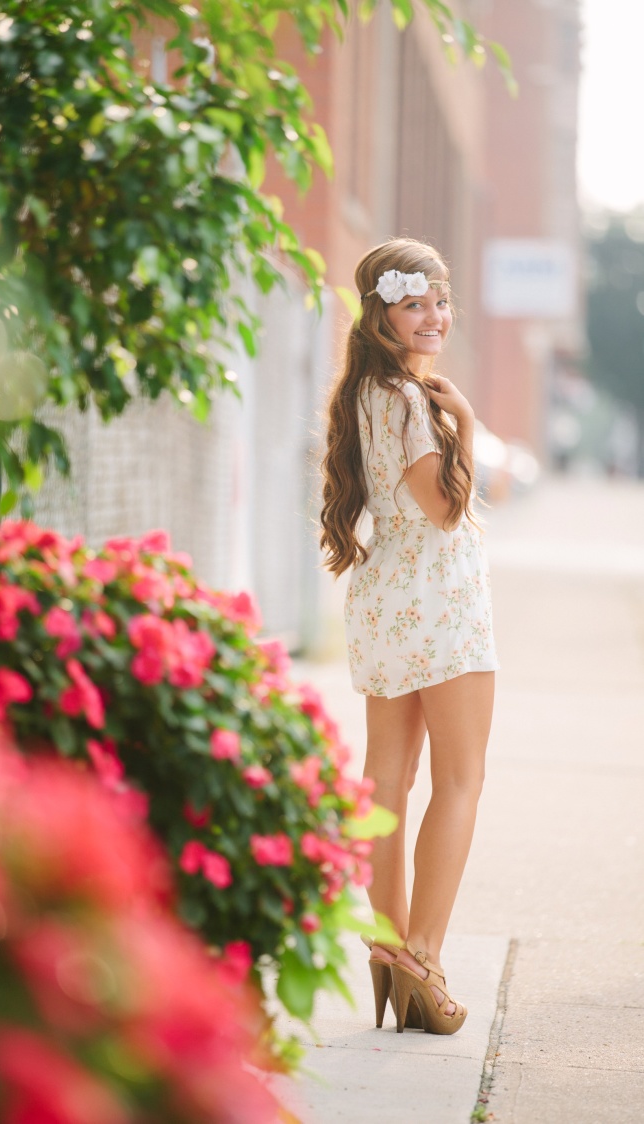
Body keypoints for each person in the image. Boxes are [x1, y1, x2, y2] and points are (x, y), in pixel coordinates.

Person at [320, 236, 499, 1035]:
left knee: (384, 784)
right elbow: (443, 506)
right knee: (459, 781)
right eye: (414, 303)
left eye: (439, 301)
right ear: (381, 312)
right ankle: (423, 958)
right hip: (440, 601)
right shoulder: (413, 400)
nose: (433, 317)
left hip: (386, 597)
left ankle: (390, 950)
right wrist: (462, 419)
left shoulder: (366, 390)